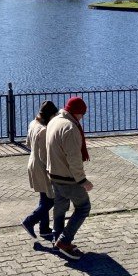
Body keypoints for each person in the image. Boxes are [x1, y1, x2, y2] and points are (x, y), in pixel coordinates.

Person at [46, 97, 92, 260]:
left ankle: (56, 238)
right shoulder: (70, 128)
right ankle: (64, 241)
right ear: (77, 112)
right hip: (68, 178)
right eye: (82, 114)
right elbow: (74, 158)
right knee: (83, 207)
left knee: (60, 208)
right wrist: (82, 180)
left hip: (54, 174)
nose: (82, 118)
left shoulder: (54, 121)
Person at [21, 101, 59, 241]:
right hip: (41, 167)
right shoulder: (43, 130)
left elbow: (28, 143)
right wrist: (51, 170)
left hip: (32, 162)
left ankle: (44, 229)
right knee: (50, 200)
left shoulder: (33, 124)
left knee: (44, 197)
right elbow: (44, 155)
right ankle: (29, 221)